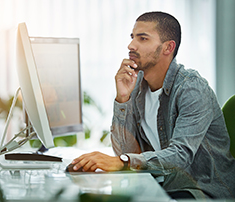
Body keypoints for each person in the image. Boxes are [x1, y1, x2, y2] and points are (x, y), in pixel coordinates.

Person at [71, 11, 235, 199]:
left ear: (167, 48)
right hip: (162, 185)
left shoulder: (192, 88)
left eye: (143, 38)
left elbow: (181, 155)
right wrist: (122, 99)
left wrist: (123, 161)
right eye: (132, 37)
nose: (131, 45)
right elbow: (125, 152)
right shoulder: (137, 84)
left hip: (201, 191)